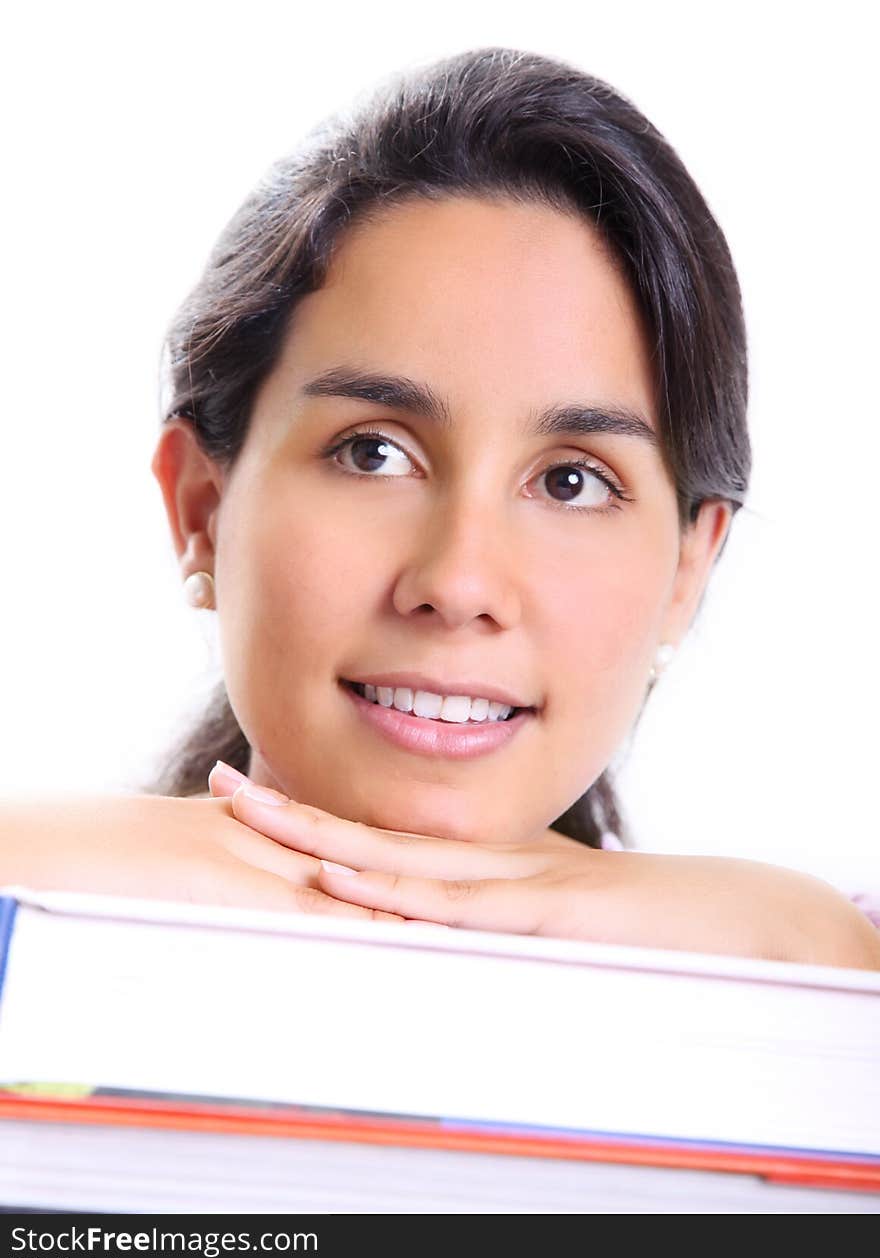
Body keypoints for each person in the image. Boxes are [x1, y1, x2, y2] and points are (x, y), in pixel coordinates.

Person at [4, 47, 878, 968]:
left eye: (571, 481)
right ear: (203, 509)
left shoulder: (815, 980)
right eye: (373, 453)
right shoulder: (43, 900)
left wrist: (827, 944)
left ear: (686, 570)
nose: (458, 584)